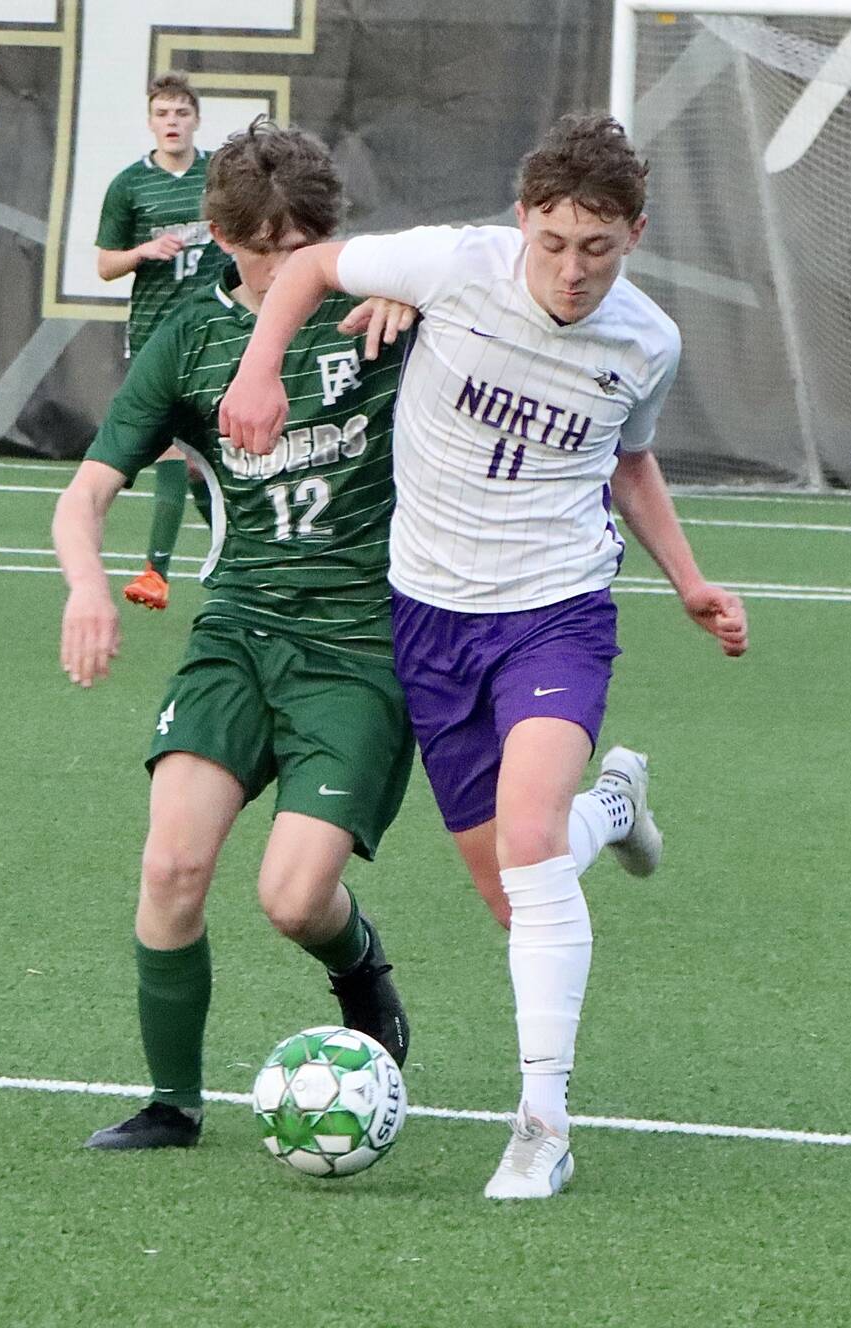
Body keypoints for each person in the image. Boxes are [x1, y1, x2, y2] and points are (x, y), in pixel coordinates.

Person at [219, 112, 750, 1199]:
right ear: (521, 223)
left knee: (524, 840)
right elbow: (310, 264)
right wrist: (260, 370)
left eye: (596, 249)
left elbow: (630, 462)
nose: (570, 270)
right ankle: (614, 805)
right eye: (552, 243)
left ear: (633, 235)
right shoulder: (455, 265)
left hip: (554, 612)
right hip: (429, 619)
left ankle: (540, 1125)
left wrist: (687, 579)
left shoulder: (644, 340)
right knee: (518, 889)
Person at [55, 118, 421, 1151]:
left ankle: (362, 973)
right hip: (239, 629)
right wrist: (87, 586)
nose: (287, 263)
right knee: (170, 866)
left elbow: (501, 263)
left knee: (293, 898)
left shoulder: (386, 307)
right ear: (219, 235)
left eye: (305, 242)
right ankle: (172, 1102)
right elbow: (80, 500)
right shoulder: (190, 338)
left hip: (357, 646)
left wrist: (412, 287)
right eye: (264, 246)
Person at [94, 71, 230, 613]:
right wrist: (143, 252)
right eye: (162, 114)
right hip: (155, 332)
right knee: (174, 447)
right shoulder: (130, 184)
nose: (171, 122)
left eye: (181, 113)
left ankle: (229, 552)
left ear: (196, 118)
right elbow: (105, 265)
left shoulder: (220, 176)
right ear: (150, 121)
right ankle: (157, 571)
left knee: (204, 459)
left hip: (216, 331)